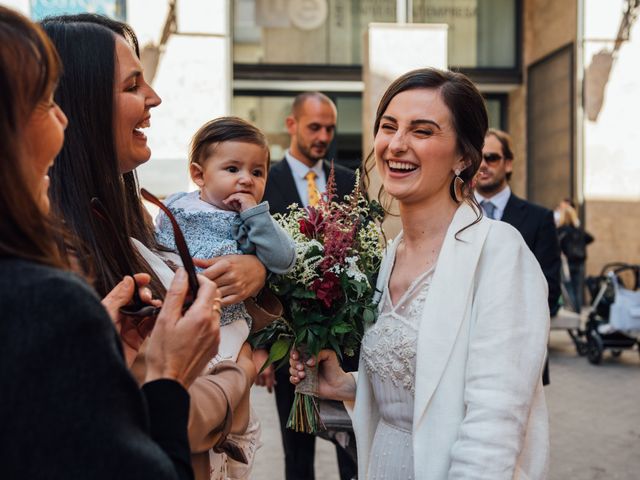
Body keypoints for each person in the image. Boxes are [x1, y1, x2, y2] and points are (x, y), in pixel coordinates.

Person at [289, 68, 550, 479]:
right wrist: (346, 386)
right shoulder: (390, 255)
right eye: (388, 127)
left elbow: (495, 425)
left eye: (422, 131)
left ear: (464, 156)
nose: (397, 145)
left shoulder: (498, 252)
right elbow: (419, 391)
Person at [0, 6, 221, 479]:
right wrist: (172, 378)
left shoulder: (122, 227)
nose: (59, 119)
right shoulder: (48, 286)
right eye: (43, 101)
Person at [40, 14, 260, 480]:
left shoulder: (129, 219)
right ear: (79, 102)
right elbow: (139, 412)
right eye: (133, 85)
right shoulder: (58, 253)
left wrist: (253, 270)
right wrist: (239, 375)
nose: (154, 98)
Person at [256, 92, 358, 480]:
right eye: (314, 126)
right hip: (290, 345)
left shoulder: (348, 182)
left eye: (330, 128)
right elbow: (259, 268)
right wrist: (265, 347)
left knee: (351, 448)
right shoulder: (267, 181)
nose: (323, 136)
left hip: (344, 342)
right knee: (297, 454)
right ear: (292, 125)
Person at [157, 116, 296, 365]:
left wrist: (255, 215)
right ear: (198, 175)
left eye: (257, 172)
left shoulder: (251, 220)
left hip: (224, 322)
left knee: (219, 377)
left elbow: (284, 259)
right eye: (233, 169)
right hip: (172, 309)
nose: (246, 179)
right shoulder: (176, 203)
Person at [475, 127, 561, 385]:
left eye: (491, 158)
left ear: (508, 163)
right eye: (477, 158)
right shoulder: (453, 213)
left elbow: (550, 288)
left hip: (518, 350)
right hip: (461, 350)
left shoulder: (539, 219)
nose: (483, 165)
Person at [556, 204, 594, 311]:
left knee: (569, 288)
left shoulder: (561, 230)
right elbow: (590, 238)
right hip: (580, 262)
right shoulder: (578, 230)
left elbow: (556, 243)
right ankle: (577, 310)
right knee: (577, 288)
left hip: (567, 263)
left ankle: (573, 310)